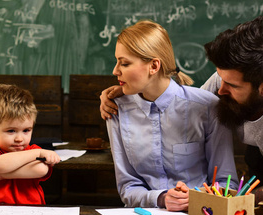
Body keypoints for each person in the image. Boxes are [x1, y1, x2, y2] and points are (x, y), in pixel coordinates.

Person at [100, 16, 263, 205]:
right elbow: (191, 105)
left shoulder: (209, 106)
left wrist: (200, 198)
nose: (220, 89)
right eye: (220, 78)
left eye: (125, 63)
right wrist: (126, 89)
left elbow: (226, 183)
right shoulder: (216, 93)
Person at [0, 83, 60, 204]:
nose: (20, 138)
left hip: (31, 212)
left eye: (26, 130)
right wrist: (37, 153)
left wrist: (3, 176)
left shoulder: (30, 149)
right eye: (11, 131)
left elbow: (41, 169)